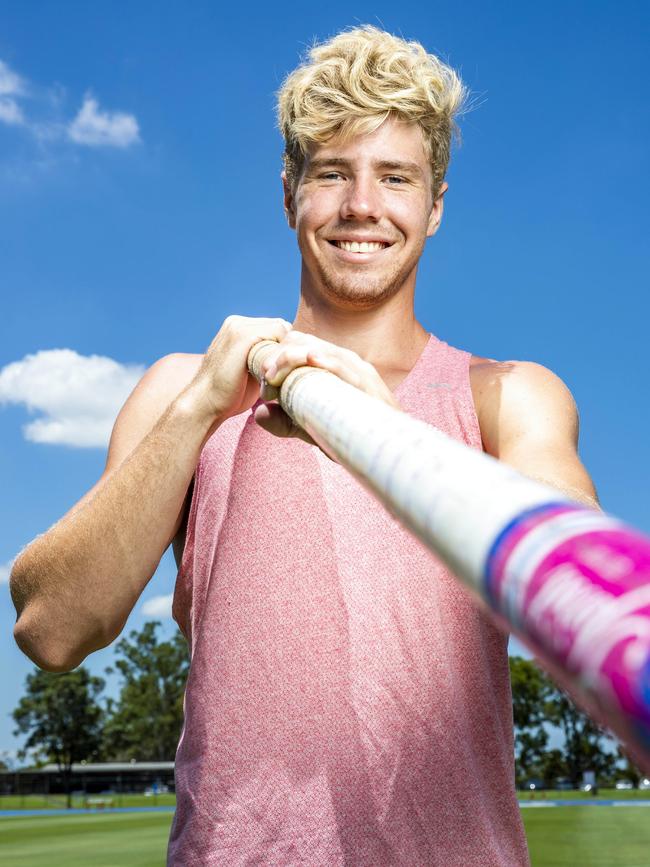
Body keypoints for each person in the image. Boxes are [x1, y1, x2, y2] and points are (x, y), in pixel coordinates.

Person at [10, 26, 599, 866]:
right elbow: (50, 628)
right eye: (333, 173)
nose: (363, 205)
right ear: (289, 192)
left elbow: (575, 579)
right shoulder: (189, 389)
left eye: (396, 177)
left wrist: (388, 436)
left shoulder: (507, 396)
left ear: (434, 203)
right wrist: (199, 407)